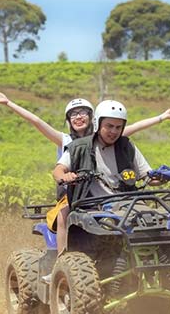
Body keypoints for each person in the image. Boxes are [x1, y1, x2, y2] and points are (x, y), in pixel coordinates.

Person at [51, 99, 156, 252]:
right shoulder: (79, 147)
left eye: (118, 127)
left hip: (128, 203)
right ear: (98, 123)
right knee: (64, 214)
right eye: (109, 126)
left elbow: (147, 176)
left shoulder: (127, 146)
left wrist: (160, 177)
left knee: (159, 220)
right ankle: (62, 259)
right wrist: (65, 177)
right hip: (91, 205)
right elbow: (58, 170)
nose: (114, 131)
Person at [0, 90, 170, 158]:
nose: (78, 117)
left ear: (92, 117)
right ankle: (63, 253)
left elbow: (136, 126)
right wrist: (8, 103)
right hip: (75, 195)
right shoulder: (64, 140)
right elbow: (36, 121)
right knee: (63, 215)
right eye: (73, 115)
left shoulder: (104, 135)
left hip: (105, 191)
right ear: (68, 120)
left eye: (83, 113)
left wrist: (162, 117)